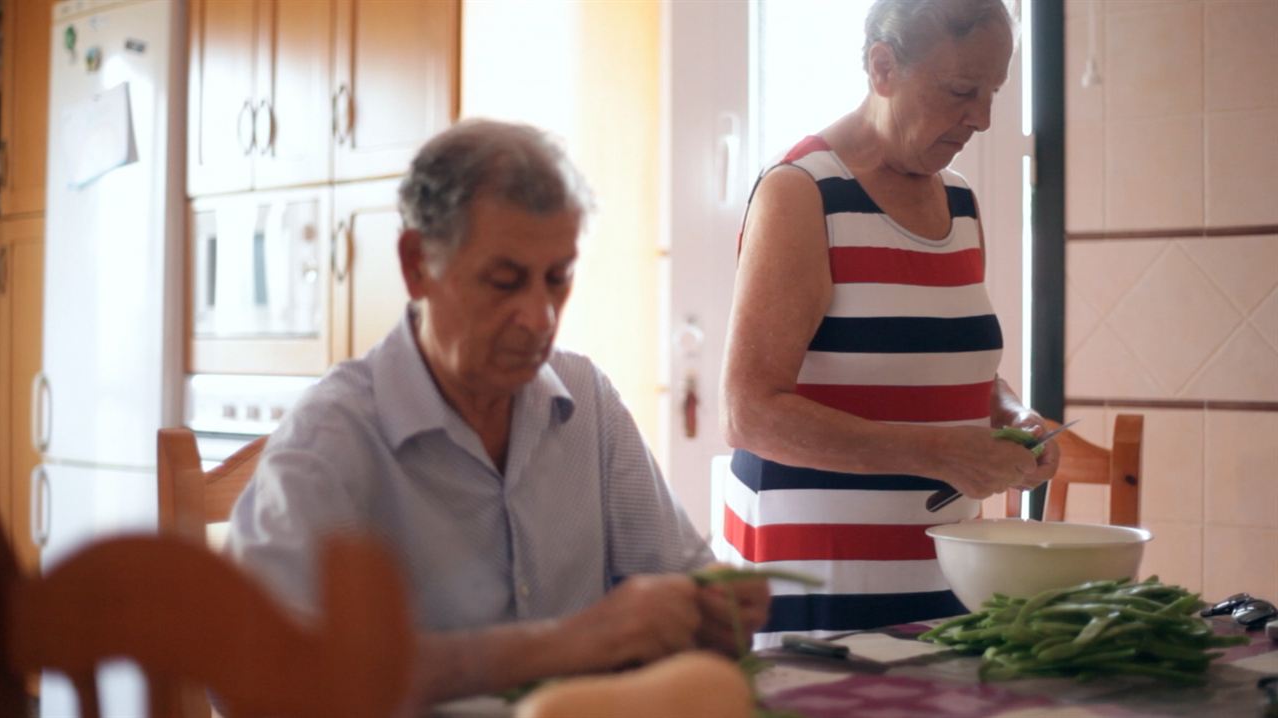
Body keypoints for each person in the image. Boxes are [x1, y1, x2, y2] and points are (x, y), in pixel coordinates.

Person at [225, 119, 769, 705]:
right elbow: (260, 678)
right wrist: (568, 643)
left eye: (557, 279)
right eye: (504, 282)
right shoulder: (330, 441)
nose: (539, 317)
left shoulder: (586, 400)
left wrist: (717, 605)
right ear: (416, 266)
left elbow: (684, 576)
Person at [719, 0, 1060, 647]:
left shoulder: (960, 200)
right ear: (881, 67)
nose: (982, 119)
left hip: (949, 577)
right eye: (962, 91)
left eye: (992, 93)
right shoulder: (803, 193)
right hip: (816, 585)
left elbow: (947, 358)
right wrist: (938, 453)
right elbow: (749, 413)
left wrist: (1012, 416)